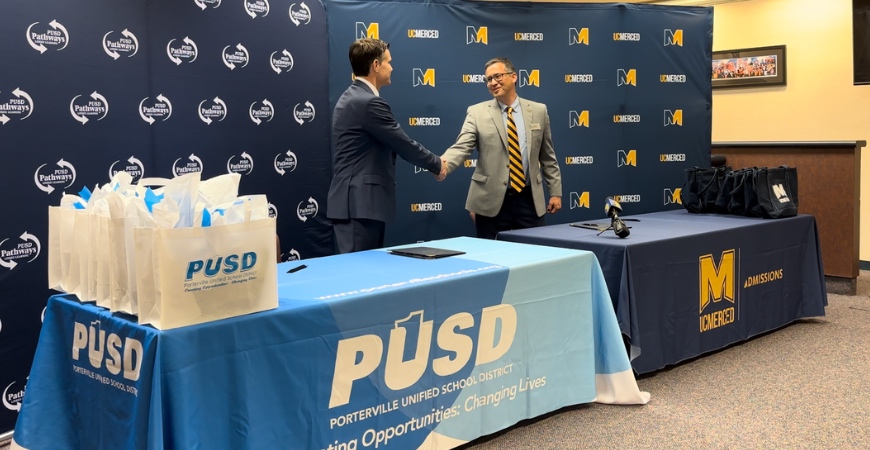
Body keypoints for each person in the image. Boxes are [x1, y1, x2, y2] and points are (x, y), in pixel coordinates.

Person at [327, 38, 446, 253]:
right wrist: (436, 164)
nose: (392, 67)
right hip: (359, 205)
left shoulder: (354, 97)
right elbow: (402, 142)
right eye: (388, 62)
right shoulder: (368, 102)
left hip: (358, 205)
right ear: (375, 65)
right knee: (361, 275)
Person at [440, 57, 562, 239]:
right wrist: (441, 164)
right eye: (488, 79)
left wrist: (556, 192)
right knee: (492, 257)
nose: (492, 83)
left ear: (514, 77)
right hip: (490, 201)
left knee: (533, 258)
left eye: (497, 76)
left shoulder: (538, 110)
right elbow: (462, 146)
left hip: (529, 200)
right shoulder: (477, 112)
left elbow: (547, 156)